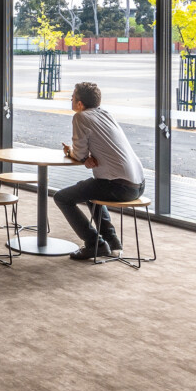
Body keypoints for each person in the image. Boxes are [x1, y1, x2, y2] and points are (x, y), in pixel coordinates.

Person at [53, 81, 145, 261]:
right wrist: (84, 157)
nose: (70, 98)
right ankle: (111, 241)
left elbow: (79, 153)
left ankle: (95, 243)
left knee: (62, 198)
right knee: (88, 189)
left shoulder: (81, 117)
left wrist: (72, 153)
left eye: (73, 96)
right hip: (138, 184)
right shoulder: (106, 114)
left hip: (119, 186)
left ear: (80, 104)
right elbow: (91, 152)